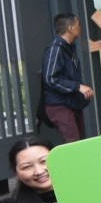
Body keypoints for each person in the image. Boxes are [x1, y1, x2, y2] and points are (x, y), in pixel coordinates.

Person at [38, 11, 91, 142]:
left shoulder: (68, 48)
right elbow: (51, 79)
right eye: (78, 24)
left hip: (71, 103)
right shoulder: (56, 49)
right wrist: (78, 87)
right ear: (70, 28)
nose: (80, 28)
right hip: (59, 105)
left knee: (79, 143)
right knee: (74, 144)